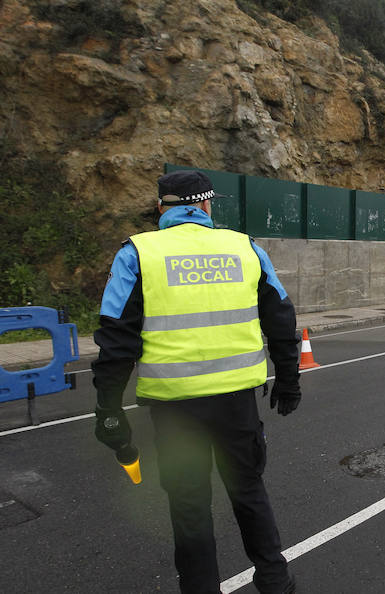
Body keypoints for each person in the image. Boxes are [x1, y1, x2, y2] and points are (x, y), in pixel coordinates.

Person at [92, 170, 301, 593]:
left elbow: (115, 340)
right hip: (236, 402)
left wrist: (109, 409)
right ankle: (275, 583)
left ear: (161, 208)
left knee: (189, 507)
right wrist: (288, 378)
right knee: (247, 490)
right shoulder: (245, 247)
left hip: (174, 408)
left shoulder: (137, 253)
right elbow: (280, 317)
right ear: (207, 206)